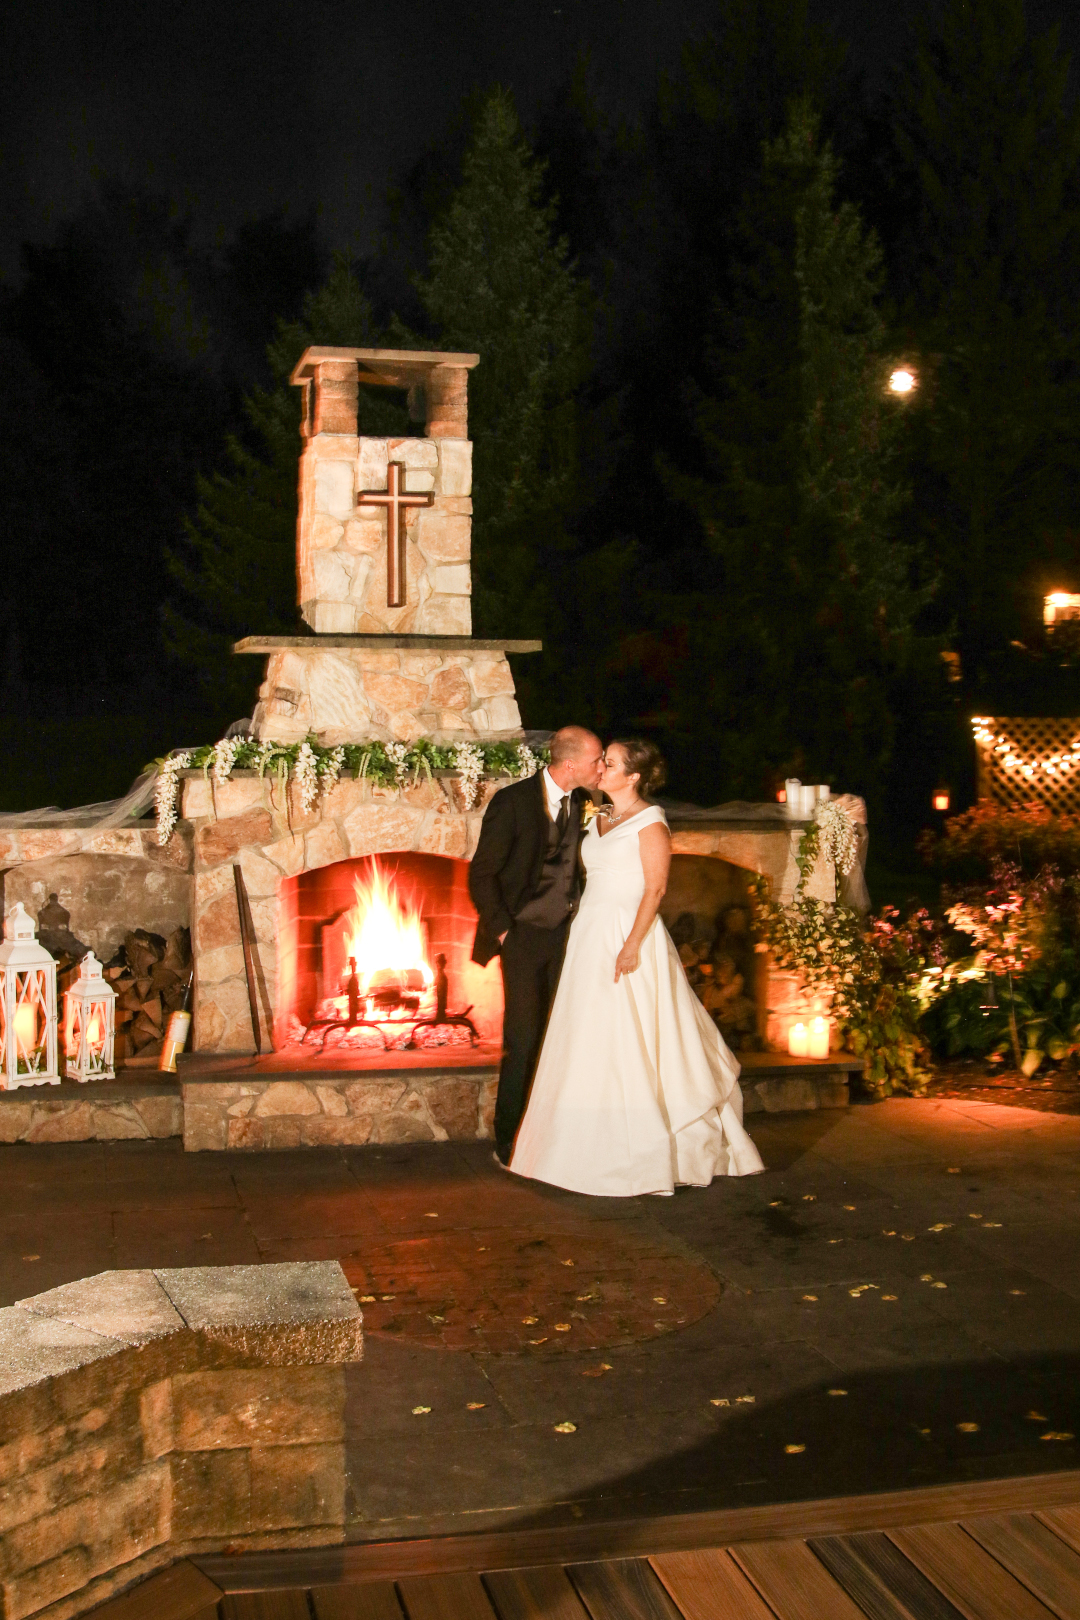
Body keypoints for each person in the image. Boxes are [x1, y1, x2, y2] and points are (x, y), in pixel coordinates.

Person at [509, 739, 764, 1196]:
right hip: (589, 934)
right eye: (601, 760)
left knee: (633, 1037)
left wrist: (631, 945)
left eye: (610, 763)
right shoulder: (599, 815)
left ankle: (641, 1153)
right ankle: (572, 1146)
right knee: (587, 1036)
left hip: (629, 936)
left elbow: (656, 890)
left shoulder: (651, 823)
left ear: (633, 777)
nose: (600, 768)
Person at [469, 726, 605, 1165]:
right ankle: (507, 1140)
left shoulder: (589, 801)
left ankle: (558, 1133)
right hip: (524, 937)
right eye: (596, 760)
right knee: (524, 1039)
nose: (600, 767)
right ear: (570, 764)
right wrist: (506, 932)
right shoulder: (512, 802)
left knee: (563, 1036)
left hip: (570, 935)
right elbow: (482, 874)